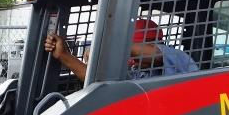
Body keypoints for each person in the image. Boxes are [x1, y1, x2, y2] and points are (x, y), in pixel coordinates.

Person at [45, 17, 198, 81]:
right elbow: (96, 81)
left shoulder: (178, 58)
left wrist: (105, 47)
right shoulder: (135, 70)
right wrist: (64, 55)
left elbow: (156, 55)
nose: (130, 55)